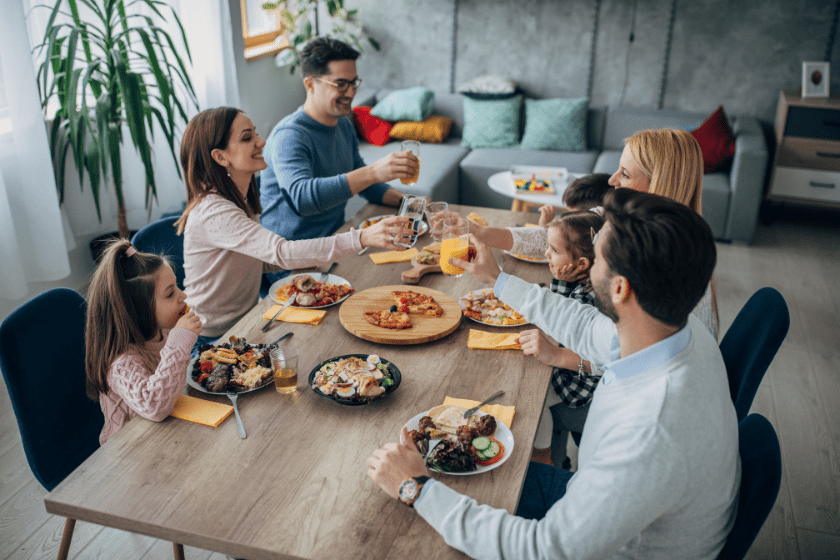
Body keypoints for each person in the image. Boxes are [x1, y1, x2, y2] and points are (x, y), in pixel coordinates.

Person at [367, 188, 740, 560]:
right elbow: (582, 322)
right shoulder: (676, 329)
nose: (590, 265)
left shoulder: (649, 432)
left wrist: (414, 487)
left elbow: (542, 550)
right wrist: (496, 278)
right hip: (615, 515)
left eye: (597, 259)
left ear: (621, 288)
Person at [175, 107, 411, 355]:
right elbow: (280, 252)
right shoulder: (215, 212)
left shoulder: (240, 199)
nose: (261, 141)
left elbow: (254, 261)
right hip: (210, 342)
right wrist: (361, 238)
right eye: (247, 138)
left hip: (245, 324)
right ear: (221, 157)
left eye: (255, 133)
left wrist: (301, 266)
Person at [464, 129, 718, 338]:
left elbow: (598, 339)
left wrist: (498, 279)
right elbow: (560, 235)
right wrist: (482, 233)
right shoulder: (638, 222)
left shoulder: (655, 262)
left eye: (625, 174)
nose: (612, 180)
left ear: (657, 186)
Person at [259, 37, 417, 250]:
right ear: (310, 84)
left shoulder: (342, 124)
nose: (351, 93)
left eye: (354, 83)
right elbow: (302, 199)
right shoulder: (290, 136)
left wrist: (406, 201)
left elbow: (361, 177)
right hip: (291, 258)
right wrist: (373, 172)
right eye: (341, 84)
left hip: (335, 243)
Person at [85, 240, 203, 444]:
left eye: (177, 287)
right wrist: (178, 345)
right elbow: (155, 406)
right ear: (137, 311)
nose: (183, 296)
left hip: (168, 432)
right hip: (132, 450)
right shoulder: (120, 362)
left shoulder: (163, 331)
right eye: (170, 293)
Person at [528, 210, 605, 467]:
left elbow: (555, 322)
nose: (547, 254)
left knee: (533, 402)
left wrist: (557, 284)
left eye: (553, 250)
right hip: (571, 372)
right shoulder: (586, 282)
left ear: (581, 264)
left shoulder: (588, 299)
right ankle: (554, 457)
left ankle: (544, 458)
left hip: (575, 386)